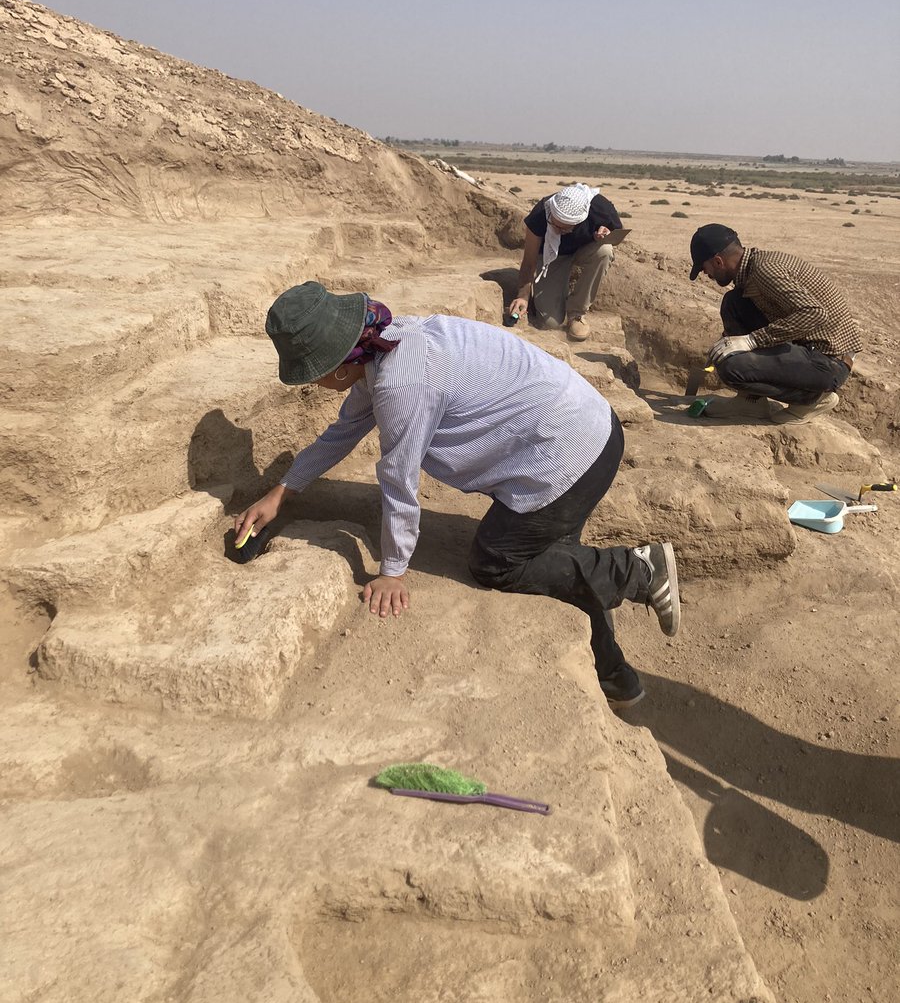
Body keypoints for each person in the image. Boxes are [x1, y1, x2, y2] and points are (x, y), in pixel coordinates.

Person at [235, 282, 681, 709]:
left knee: (496, 561)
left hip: (567, 455)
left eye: (311, 376)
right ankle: (615, 677)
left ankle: (639, 571)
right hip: (587, 430)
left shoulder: (401, 383)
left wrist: (393, 571)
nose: (313, 385)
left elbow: (398, 479)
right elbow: (344, 431)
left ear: (338, 367)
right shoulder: (385, 343)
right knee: (556, 560)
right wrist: (282, 491)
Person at [689, 223, 860, 423]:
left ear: (718, 261)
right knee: (734, 302)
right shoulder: (753, 268)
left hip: (829, 362)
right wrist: (729, 342)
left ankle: (814, 399)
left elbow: (814, 313)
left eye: (704, 268)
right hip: (810, 348)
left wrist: (751, 341)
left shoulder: (764, 272)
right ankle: (750, 403)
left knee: (732, 368)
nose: (705, 274)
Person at [508, 183, 624, 342]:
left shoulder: (601, 209)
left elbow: (617, 236)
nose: (557, 230)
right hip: (552, 257)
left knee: (605, 251)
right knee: (550, 323)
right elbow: (529, 261)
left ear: (580, 220)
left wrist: (604, 234)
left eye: (563, 228)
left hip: (584, 249)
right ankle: (543, 299)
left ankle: (576, 314)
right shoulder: (540, 214)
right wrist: (523, 296)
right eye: (554, 224)